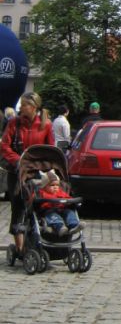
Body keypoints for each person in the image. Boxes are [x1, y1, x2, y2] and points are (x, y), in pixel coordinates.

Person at [0, 92, 54, 254]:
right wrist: (18, 160)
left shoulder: (45, 124)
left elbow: (50, 148)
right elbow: (4, 146)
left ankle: (39, 240)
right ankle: (21, 249)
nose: (21, 107)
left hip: (36, 171)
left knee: (38, 204)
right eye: (21, 104)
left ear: (34, 107)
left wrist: (46, 166)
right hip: (16, 171)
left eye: (24, 105)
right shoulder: (14, 123)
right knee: (18, 206)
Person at [35, 169, 81, 235]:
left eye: (57, 185)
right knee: (52, 215)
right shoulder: (42, 193)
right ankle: (60, 228)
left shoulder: (60, 192)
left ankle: (74, 226)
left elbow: (68, 198)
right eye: (52, 185)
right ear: (44, 186)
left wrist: (71, 201)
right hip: (49, 210)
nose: (55, 187)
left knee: (70, 212)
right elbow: (37, 200)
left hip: (62, 209)